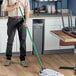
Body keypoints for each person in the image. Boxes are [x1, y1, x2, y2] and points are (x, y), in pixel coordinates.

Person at [1, 0, 30, 67]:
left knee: (23, 40)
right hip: (11, 20)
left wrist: (26, 21)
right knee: (10, 40)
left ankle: (22, 59)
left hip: (22, 19)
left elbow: (27, 10)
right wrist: (15, 6)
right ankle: (8, 59)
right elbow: (3, 8)